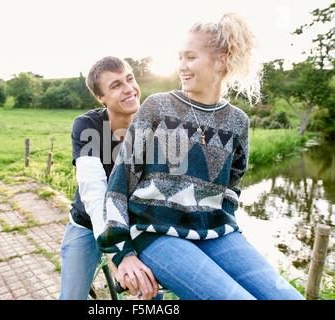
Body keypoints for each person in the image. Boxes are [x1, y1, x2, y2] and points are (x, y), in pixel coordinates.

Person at [97, 13, 305, 300]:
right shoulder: (157, 107)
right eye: (179, 57)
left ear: (220, 61)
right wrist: (122, 253)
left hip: (216, 232)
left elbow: (233, 185)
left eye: (190, 57)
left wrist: (225, 219)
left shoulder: (237, 121)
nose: (181, 66)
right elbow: (120, 184)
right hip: (155, 231)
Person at [59, 56, 158, 300]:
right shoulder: (88, 125)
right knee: (71, 296)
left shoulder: (153, 125)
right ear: (100, 97)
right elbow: (94, 194)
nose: (128, 89)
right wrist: (117, 252)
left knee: (150, 296)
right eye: (115, 85)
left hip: (133, 224)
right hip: (88, 223)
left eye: (129, 78)